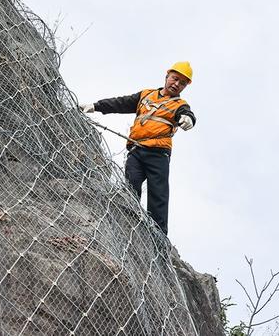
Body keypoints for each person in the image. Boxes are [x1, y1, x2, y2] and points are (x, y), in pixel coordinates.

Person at [80, 62, 196, 235]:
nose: (177, 84)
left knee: (158, 196)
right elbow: (121, 103)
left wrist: (188, 119)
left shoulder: (180, 105)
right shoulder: (146, 95)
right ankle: (126, 227)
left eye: (182, 83)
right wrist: (97, 106)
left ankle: (159, 238)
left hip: (158, 154)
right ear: (167, 76)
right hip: (136, 151)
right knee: (130, 188)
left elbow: (187, 114)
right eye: (175, 78)